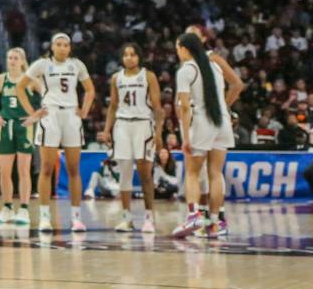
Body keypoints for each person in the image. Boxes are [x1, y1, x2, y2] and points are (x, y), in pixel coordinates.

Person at [17, 32, 95, 233]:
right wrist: (32, 113)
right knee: (46, 168)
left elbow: (89, 89)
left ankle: (76, 217)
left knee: (73, 169)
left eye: (66, 45)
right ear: (52, 47)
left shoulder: (77, 65)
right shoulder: (42, 64)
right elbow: (20, 87)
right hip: (49, 115)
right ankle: (44, 217)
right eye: (58, 44)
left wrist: (85, 110)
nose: (62, 47)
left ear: (70, 48)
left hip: (71, 116)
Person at [173, 31, 242, 239]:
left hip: (203, 122)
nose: (177, 53)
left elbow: (185, 107)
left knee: (192, 173)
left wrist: (185, 137)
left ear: (185, 49)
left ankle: (194, 215)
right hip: (223, 122)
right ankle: (216, 222)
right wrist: (225, 107)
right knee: (215, 173)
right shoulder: (215, 65)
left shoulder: (186, 70)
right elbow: (237, 85)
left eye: (177, 48)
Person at [101, 42, 162, 234]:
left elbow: (158, 108)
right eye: (126, 54)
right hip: (122, 126)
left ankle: (149, 218)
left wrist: (159, 133)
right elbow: (112, 106)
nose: (129, 58)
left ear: (139, 57)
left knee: (145, 174)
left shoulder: (148, 76)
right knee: (124, 173)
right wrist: (107, 130)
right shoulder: (116, 78)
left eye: (133, 54)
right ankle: (126, 218)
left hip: (143, 124)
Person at [0, 47, 34, 226]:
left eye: (15, 58)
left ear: (22, 61)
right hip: (5, 126)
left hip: (23, 126)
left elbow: (46, 98)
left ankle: (24, 209)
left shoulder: (30, 80)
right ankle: (7, 208)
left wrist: (34, 117)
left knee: (23, 171)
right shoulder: (0, 79)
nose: (12, 61)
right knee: (4, 171)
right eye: (9, 58)